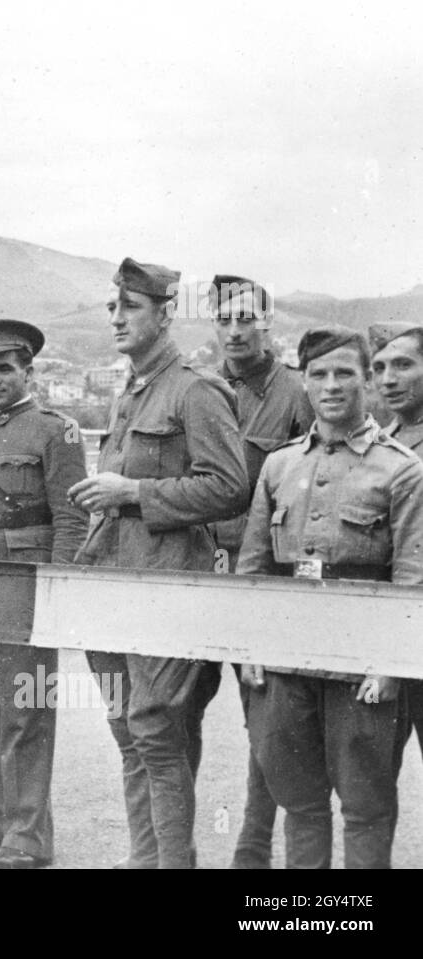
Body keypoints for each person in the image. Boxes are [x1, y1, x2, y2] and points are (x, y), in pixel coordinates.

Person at [68, 258, 249, 868]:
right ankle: (146, 858)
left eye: (130, 307)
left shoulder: (196, 390)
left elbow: (229, 487)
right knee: (127, 732)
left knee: (154, 730)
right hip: (114, 580)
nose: (116, 318)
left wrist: (133, 495)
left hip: (169, 582)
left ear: (166, 314)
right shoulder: (132, 391)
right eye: (113, 308)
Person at [237, 326, 423, 869]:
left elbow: (411, 579)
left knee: (366, 806)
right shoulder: (279, 465)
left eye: (345, 373)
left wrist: (388, 665)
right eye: (318, 374)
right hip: (288, 658)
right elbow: (253, 569)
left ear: (367, 380)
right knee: (300, 801)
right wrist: (250, 647)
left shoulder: (401, 469)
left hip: (361, 663)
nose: (332, 385)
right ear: (304, 385)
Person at [0, 320, 89, 869]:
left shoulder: (57, 431)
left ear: (28, 371)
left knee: (24, 706)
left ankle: (28, 834)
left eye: (5, 368)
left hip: (25, 580)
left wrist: (60, 590)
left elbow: (73, 518)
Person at [207, 275, 314, 870]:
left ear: (268, 324)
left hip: (267, 574)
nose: (237, 329)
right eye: (226, 319)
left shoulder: (296, 393)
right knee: (172, 710)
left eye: (248, 318)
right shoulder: (203, 390)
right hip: (202, 568)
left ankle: (253, 849)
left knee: (267, 716)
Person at [368, 323, 423, 773]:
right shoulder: (378, 445)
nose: (388, 378)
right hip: (389, 628)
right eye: (379, 367)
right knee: (371, 778)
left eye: (403, 365)